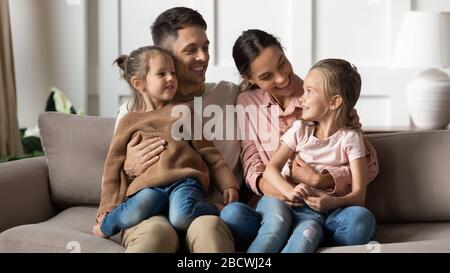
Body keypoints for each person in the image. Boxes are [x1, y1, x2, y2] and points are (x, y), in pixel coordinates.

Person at [220, 29, 378, 252]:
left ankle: (307, 231)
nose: (282, 78)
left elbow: (370, 167)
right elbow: (252, 158)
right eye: (266, 76)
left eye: (282, 63)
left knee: (359, 222)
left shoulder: (320, 94)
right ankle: (301, 232)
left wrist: (320, 180)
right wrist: (273, 187)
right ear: (249, 79)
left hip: (323, 204)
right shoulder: (247, 103)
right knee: (232, 214)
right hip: (277, 201)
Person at [116, 7, 242, 253]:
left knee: (208, 233)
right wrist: (127, 167)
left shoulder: (229, 94)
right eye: (191, 50)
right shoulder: (134, 110)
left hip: (207, 210)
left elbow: (285, 88)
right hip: (151, 212)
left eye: (206, 47)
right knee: (154, 235)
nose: (203, 57)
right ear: (166, 56)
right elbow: (110, 177)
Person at [92, 46, 239, 239]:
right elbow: (113, 166)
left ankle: (213, 209)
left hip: (184, 181)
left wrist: (228, 184)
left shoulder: (183, 112)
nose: (171, 78)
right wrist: (107, 207)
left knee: (181, 216)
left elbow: (209, 152)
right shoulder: (129, 121)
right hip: (148, 186)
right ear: (139, 83)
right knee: (136, 208)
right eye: (162, 74)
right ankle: (105, 228)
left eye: (173, 73)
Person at [261, 58, 371, 252]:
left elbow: (359, 195)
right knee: (236, 213)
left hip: (324, 214)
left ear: (334, 102)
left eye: (309, 92)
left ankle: (310, 231)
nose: (301, 98)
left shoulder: (351, 139)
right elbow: (270, 170)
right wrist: (289, 192)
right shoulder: (299, 129)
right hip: (290, 207)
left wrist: (332, 201)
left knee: (362, 220)